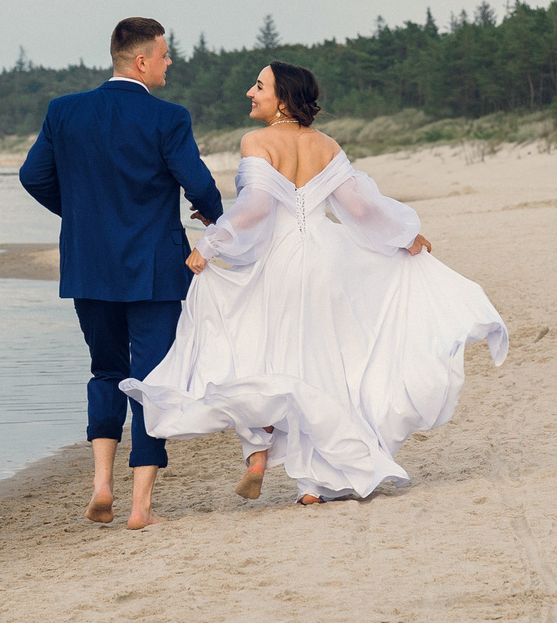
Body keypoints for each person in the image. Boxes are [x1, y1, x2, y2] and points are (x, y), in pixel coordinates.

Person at [123, 62, 507, 504]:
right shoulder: (325, 145)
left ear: (283, 98)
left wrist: (210, 243)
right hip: (327, 261)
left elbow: (256, 208)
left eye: (260, 86)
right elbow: (360, 209)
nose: (251, 92)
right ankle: (316, 485)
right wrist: (404, 236)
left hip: (280, 263)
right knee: (323, 365)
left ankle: (259, 451)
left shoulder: (257, 141)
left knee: (258, 354)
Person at [19, 18, 224, 529]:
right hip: (153, 265)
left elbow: (32, 176)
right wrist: (214, 215)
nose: (169, 62)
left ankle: (101, 484)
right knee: (152, 379)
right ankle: (140, 507)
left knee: (106, 370)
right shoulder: (169, 118)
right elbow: (196, 181)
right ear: (141, 61)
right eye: (164, 54)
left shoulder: (64, 111)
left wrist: (82, 215)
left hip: (89, 265)